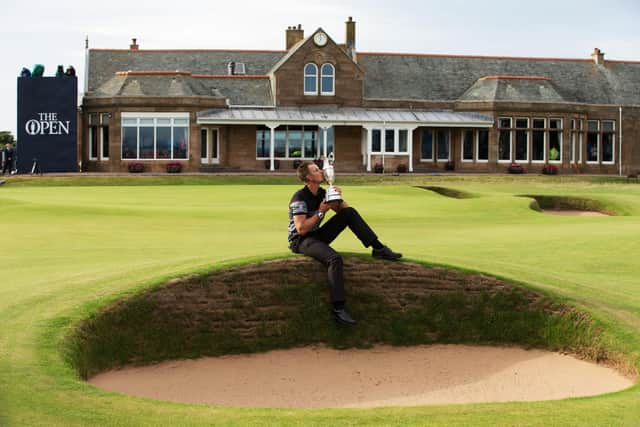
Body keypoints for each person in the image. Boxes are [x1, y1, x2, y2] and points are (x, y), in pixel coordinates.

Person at [288, 161, 402, 325]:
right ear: (308, 178)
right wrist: (321, 212)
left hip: (317, 235)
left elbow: (347, 212)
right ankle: (338, 309)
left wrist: (336, 198)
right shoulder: (299, 198)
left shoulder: (322, 193)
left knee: (350, 213)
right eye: (316, 170)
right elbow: (301, 229)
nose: (321, 171)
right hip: (301, 241)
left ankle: (378, 248)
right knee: (334, 259)